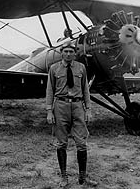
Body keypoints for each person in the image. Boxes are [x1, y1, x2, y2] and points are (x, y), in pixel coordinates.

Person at [46, 41, 98, 188]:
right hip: (60, 106)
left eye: (71, 52)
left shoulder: (81, 68)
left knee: (82, 143)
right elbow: (49, 91)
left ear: (75, 53)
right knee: (61, 142)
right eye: (66, 52)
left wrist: (88, 109)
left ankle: (83, 177)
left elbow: (86, 90)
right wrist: (49, 111)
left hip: (77, 106)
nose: (68, 54)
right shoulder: (54, 68)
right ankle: (64, 177)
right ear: (62, 53)